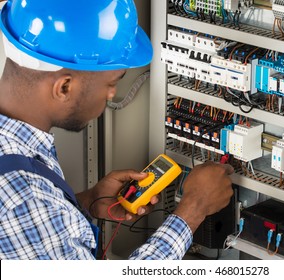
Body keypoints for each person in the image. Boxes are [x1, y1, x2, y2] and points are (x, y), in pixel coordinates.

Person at [0, 0, 234, 259]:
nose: (112, 95)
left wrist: (87, 202)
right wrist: (194, 208)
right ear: (64, 87)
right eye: (111, 84)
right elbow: (30, 214)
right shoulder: (25, 198)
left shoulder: (16, 153)